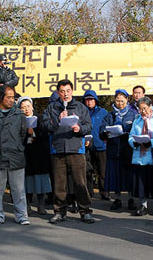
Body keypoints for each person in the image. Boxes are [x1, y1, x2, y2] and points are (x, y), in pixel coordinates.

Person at [42, 79, 94, 224]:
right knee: (59, 184)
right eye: (62, 91)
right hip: (58, 149)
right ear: (58, 92)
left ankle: (85, 211)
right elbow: (45, 125)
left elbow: (89, 126)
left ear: (72, 91)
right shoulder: (52, 107)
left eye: (68, 91)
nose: (65, 94)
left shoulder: (81, 107)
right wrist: (57, 120)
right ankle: (59, 211)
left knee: (80, 182)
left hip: (76, 149)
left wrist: (80, 129)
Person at [0, 85, 30, 226]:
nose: (11, 100)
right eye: (8, 97)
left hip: (16, 156)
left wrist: (16, 146)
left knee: (18, 189)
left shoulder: (19, 115)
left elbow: (23, 134)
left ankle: (21, 215)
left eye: (13, 97)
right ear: (0, 98)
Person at [100, 89, 137, 210]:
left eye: (122, 101)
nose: (120, 103)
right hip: (113, 149)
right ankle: (118, 199)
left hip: (128, 149)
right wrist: (105, 133)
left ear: (127, 100)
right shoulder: (110, 115)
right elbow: (102, 129)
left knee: (129, 176)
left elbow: (137, 129)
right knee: (116, 176)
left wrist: (126, 133)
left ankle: (131, 199)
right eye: (117, 101)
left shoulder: (133, 114)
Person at [18, 96, 52, 215]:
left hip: (40, 154)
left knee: (40, 181)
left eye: (28, 106)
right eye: (23, 107)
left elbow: (46, 133)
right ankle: (27, 205)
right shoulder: (19, 120)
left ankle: (41, 205)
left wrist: (34, 133)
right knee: (27, 182)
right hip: (26, 155)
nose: (26, 109)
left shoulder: (41, 118)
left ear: (32, 106)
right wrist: (27, 135)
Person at [82, 90, 109, 200]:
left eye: (91, 99)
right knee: (88, 171)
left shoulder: (103, 112)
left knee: (103, 171)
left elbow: (107, 126)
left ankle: (104, 192)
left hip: (101, 145)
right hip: (86, 145)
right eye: (87, 100)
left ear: (96, 100)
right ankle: (89, 192)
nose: (89, 102)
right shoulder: (82, 112)